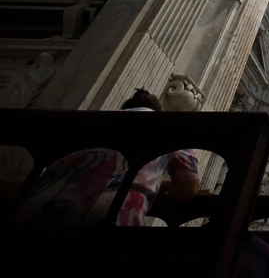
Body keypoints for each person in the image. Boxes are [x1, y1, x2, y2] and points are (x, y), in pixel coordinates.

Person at [17, 89, 199, 226]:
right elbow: (188, 189)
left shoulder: (88, 124)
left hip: (29, 212)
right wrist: (165, 186)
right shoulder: (168, 126)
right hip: (106, 217)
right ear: (158, 111)